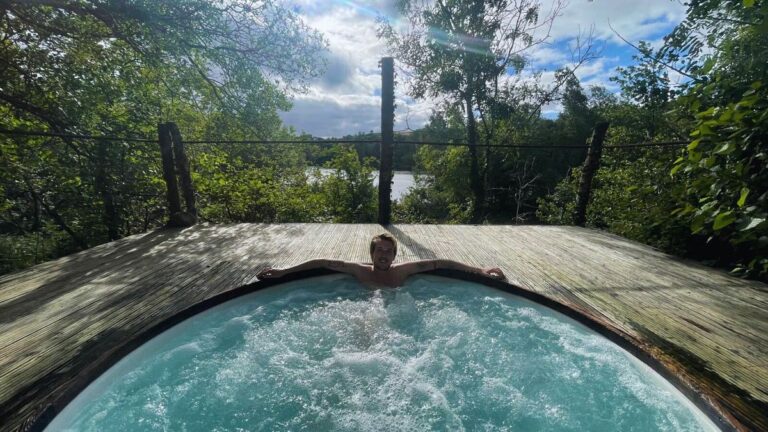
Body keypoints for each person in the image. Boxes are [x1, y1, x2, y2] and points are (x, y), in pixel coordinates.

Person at [256, 233, 506, 288]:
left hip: (399, 308)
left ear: (395, 256)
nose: (384, 255)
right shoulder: (358, 270)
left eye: (389, 251)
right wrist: (284, 272)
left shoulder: (403, 271)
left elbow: (441, 263)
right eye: (379, 251)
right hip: (369, 309)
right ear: (372, 254)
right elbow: (322, 262)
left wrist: (479, 270)